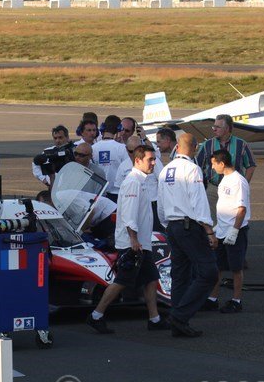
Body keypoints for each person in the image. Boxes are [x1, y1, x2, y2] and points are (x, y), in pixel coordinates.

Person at [87, 145, 168, 334]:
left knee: (151, 278)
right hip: (133, 243)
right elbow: (129, 215)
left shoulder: (141, 181)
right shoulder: (133, 182)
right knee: (122, 280)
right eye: (150, 160)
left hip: (141, 243)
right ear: (138, 161)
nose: (153, 163)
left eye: (154, 159)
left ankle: (154, 319)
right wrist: (133, 240)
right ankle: (96, 315)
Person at [157, 133, 219, 338]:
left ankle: (178, 320)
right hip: (188, 226)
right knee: (208, 272)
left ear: (177, 146)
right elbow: (198, 200)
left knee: (180, 275)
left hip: (173, 226)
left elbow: (160, 203)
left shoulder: (166, 170)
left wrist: (167, 224)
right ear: (195, 147)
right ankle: (180, 315)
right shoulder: (192, 169)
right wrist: (208, 229)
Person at [205, 150, 250, 313]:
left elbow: (242, 209)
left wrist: (235, 230)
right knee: (218, 266)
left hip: (234, 231)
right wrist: (218, 227)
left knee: (236, 268)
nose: (212, 167)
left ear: (222, 163)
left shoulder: (238, 181)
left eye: (213, 164)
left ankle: (236, 301)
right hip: (222, 230)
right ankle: (212, 299)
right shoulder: (224, 180)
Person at [195, 114, 256, 231]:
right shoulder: (208, 144)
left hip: (233, 190)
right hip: (213, 188)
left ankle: (233, 237)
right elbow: (198, 166)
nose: (214, 129)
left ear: (227, 128)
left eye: (218, 127)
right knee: (211, 221)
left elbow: (251, 165)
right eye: (214, 126)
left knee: (233, 220)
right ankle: (215, 241)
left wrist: (244, 184)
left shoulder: (241, 144)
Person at [93, 115, 129, 202]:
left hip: (98, 193)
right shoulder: (122, 148)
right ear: (119, 129)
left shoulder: (93, 148)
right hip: (117, 193)